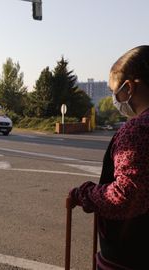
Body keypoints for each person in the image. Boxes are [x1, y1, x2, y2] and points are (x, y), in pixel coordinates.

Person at [69, 45, 149, 269]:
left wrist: (86, 194)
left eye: (116, 91)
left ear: (130, 87)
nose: (115, 98)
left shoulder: (137, 130)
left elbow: (126, 194)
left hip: (131, 252)